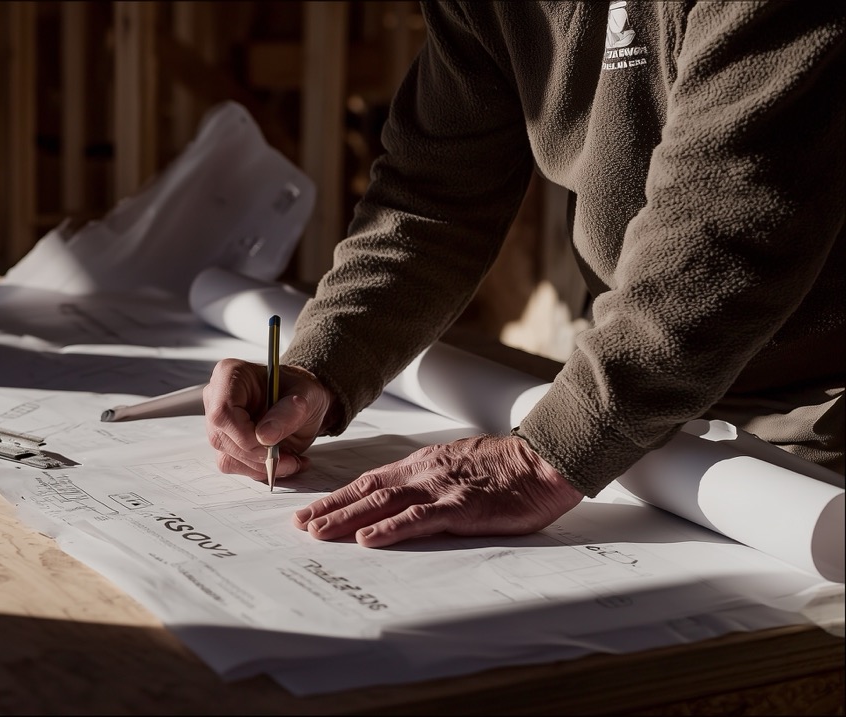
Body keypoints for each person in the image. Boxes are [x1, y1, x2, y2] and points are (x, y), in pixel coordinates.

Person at [203, 1, 844, 548]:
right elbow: (434, 200)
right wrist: (320, 367)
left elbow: (725, 226)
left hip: (822, 419)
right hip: (667, 413)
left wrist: (547, 454)